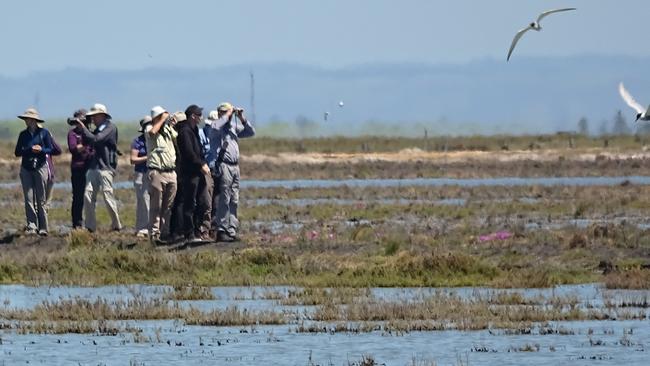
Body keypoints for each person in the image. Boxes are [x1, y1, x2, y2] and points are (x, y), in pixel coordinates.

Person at [207, 102, 256, 242]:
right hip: (224, 165)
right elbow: (216, 126)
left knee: (234, 198)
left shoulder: (233, 127)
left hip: (235, 166)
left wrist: (242, 117)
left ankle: (232, 229)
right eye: (225, 112)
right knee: (225, 197)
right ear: (220, 113)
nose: (229, 115)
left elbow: (251, 132)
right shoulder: (215, 126)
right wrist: (228, 114)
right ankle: (221, 230)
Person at [74, 103, 122, 232]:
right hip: (93, 167)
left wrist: (84, 128)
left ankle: (116, 224)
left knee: (107, 196)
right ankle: (90, 226)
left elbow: (96, 140)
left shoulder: (110, 127)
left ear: (102, 115)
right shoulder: (97, 129)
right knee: (88, 195)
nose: (92, 119)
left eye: (94, 116)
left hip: (105, 167)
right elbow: (90, 140)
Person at [14, 108, 54, 236]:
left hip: (40, 167)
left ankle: (43, 227)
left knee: (41, 199)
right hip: (26, 168)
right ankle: (32, 226)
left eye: (29, 119)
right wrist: (30, 150)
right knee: (29, 198)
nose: (27, 121)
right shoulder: (23, 135)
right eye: (26, 119)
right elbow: (17, 152)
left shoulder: (44, 133)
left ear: (34, 120)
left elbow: (50, 149)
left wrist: (41, 150)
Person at [176, 105, 211, 242]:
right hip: (190, 173)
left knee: (202, 202)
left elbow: (198, 150)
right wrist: (201, 164)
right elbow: (189, 153)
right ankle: (189, 233)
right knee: (189, 203)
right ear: (192, 116)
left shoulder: (194, 129)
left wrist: (203, 162)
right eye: (199, 115)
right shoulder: (185, 131)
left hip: (198, 171)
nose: (201, 117)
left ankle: (197, 230)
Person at [145, 106, 179, 243]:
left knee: (167, 206)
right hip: (157, 172)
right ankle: (154, 234)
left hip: (171, 171)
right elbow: (153, 132)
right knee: (156, 206)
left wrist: (172, 125)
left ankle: (164, 232)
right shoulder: (149, 128)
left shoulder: (167, 130)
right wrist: (162, 120)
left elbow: (177, 140)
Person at [67, 109, 93, 229]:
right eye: (77, 122)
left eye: (81, 121)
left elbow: (94, 148)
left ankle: (90, 223)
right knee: (77, 197)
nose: (79, 124)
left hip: (90, 167)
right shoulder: (72, 133)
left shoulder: (89, 133)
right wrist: (86, 145)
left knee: (89, 196)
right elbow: (73, 148)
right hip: (77, 168)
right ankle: (77, 223)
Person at [131, 116, 151, 237]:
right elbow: (133, 159)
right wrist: (148, 157)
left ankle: (147, 227)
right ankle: (142, 227)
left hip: (153, 173)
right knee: (142, 201)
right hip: (141, 173)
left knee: (149, 201)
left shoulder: (156, 139)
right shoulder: (137, 141)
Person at [41, 127, 62, 210]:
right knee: (39, 202)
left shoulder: (48, 149)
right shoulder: (37, 148)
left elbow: (58, 150)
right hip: (40, 178)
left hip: (50, 177)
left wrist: (51, 138)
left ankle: (44, 220)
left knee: (47, 204)